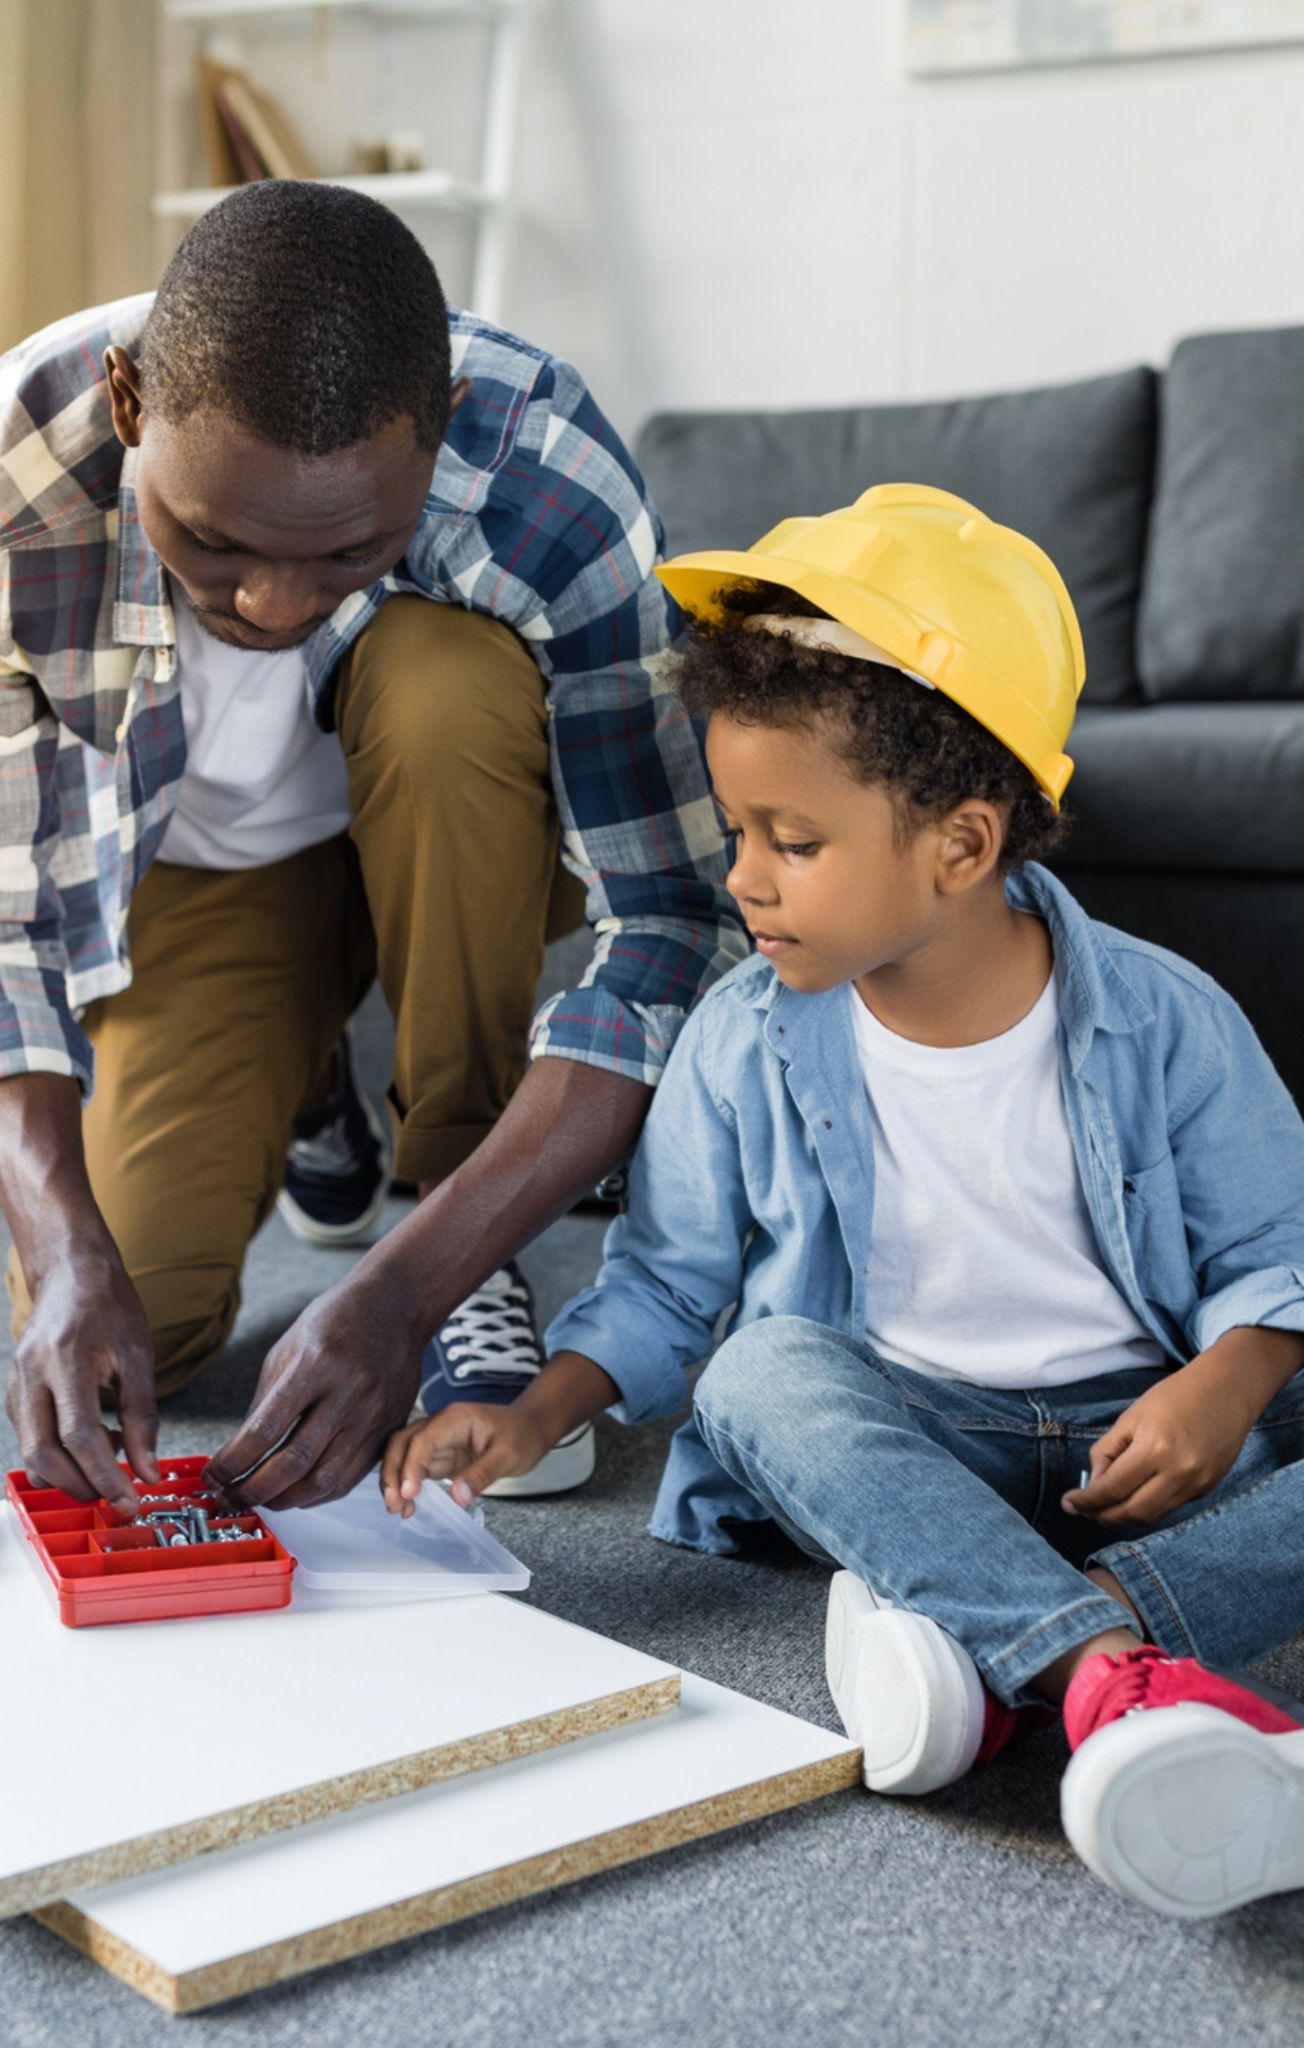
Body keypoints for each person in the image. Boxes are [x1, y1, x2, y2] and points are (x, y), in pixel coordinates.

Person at [382, 485, 1304, 1918]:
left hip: (1152, 1443)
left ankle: (989, 1649)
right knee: (757, 1373)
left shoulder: (1167, 1019)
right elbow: (676, 1286)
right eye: (735, 831)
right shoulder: (742, 1036)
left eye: (790, 841)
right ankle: (1105, 1672)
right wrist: (539, 1409)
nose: (740, 880)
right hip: (902, 1432)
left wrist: (1226, 1389)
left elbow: (1279, 1255)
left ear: (962, 843)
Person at [0, 180, 742, 1514]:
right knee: (140, 1316)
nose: (271, 602)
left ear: (441, 433)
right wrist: (62, 1256)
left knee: (445, 677)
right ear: (127, 407)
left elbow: (674, 912)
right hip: (206, 889)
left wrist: (417, 1286)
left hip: (461, 839)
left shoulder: (542, 469)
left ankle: (450, 1191)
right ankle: (313, 1089)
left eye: (347, 549)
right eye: (213, 541)